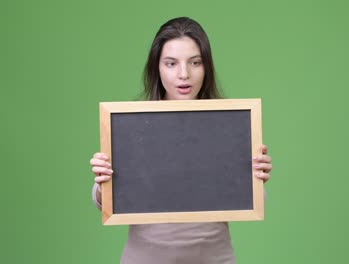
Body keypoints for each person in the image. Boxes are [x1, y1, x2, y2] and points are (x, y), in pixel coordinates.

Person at [90, 17, 273, 264]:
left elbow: (250, 200)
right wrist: (103, 183)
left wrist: (256, 176)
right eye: (171, 63)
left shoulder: (229, 125)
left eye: (195, 62)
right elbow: (105, 201)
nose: (184, 74)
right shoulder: (132, 125)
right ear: (157, 67)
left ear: (206, 67)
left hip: (214, 257)